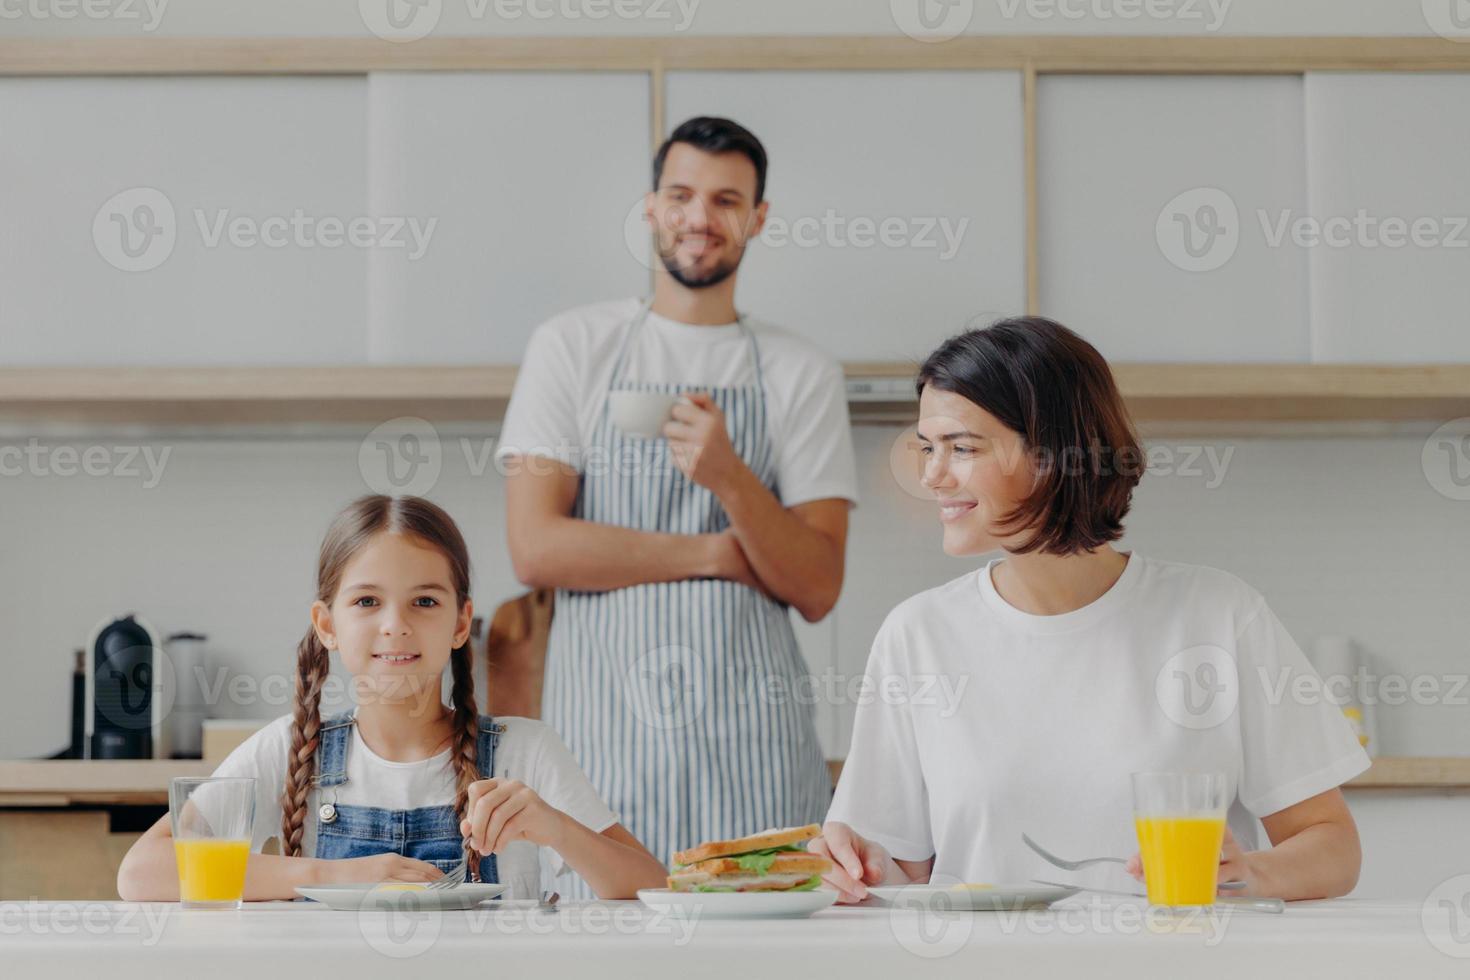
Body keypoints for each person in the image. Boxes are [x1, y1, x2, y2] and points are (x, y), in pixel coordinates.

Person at [813, 316, 1368, 903]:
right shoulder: (918, 635)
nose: (931, 474)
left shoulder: (1219, 616)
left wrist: (1252, 873)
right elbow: (903, 874)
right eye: (928, 447)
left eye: (962, 447)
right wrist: (858, 867)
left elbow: (1332, 843)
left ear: (1055, 453)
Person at [496, 116, 858, 879]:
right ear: (652, 209)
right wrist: (719, 552)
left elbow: (819, 583)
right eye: (682, 195)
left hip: (756, 745)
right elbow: (537, 547)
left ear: (757, 219)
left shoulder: (802, 373)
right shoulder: (572, 346)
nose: (700, 218)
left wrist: (729, 475)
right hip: (604, 746)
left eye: (727, 200)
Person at [117, 495, 666, 901]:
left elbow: (655, 888)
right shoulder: (288, 750)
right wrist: (331, 874)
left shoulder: (527, 751)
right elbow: (142, 872)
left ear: (460, 622)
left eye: (425, 601)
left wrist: (557, 828)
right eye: (367, 602)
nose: (395, 626)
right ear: (326, 624)